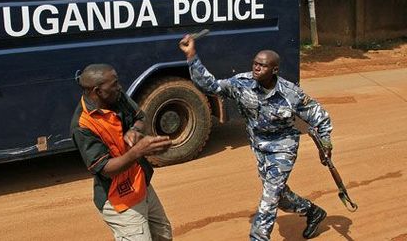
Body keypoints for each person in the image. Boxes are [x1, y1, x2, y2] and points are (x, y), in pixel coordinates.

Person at [179, 35, 333, 240]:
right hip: (259, 146)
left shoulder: (290, 93)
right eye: (255, 64)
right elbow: (211, 86)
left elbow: (319, 117)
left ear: (275, 70)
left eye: (262, 65)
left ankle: (258, 237)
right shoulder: (242, 83)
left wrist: (326, 144)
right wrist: (191, 56)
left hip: (283, 147)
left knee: (269, 197)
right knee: (280, 197)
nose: (256, 68)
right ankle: (312, 211)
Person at [70, 64, 173, 241]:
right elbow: (106, 168)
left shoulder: (115, 97)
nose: (119, 87)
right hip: (118, 199)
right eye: (114, 84)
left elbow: (141, 118)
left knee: (163, 235)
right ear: (98, 91)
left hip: (140, 184)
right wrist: (138, 151)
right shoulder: (83, 125)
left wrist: (135, 130)